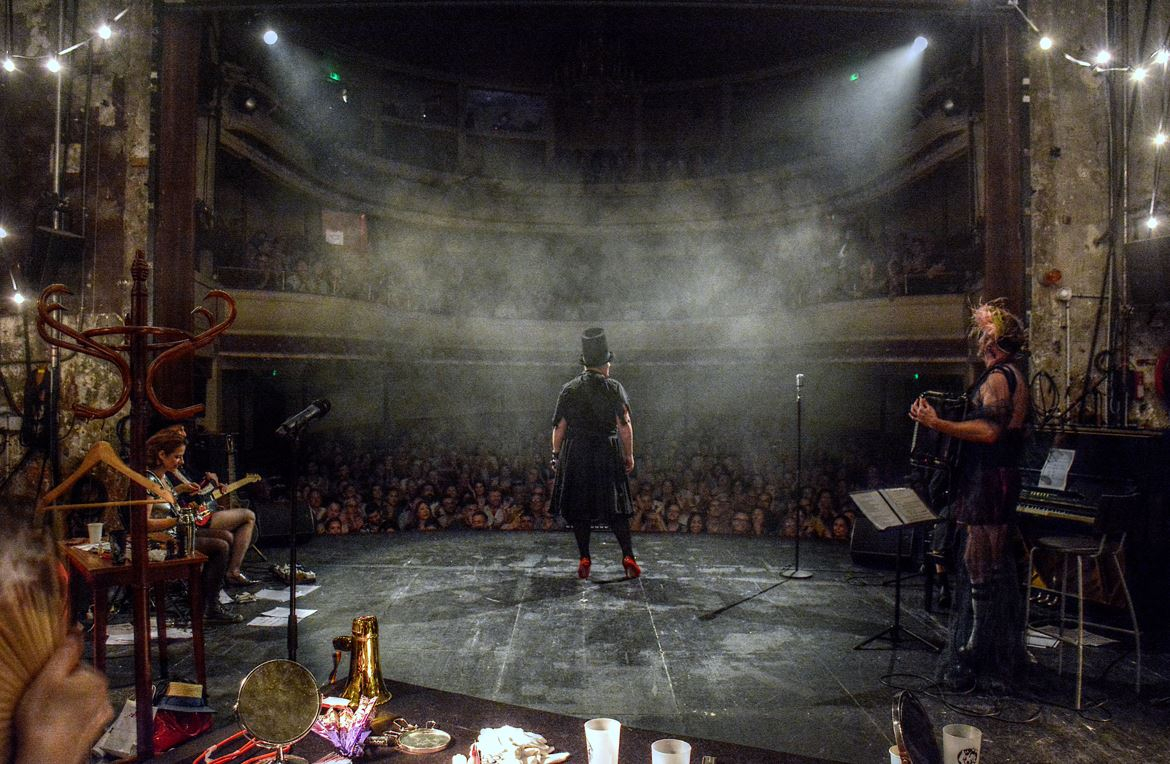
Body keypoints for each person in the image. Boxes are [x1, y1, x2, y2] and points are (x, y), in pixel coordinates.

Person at [909, 299, 1029, 690]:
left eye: (983, 337)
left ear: (994, 342)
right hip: (994, 477)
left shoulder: (999, 378)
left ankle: (977, 650)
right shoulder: (1012, 374)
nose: (978, 343)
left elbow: (990, 432)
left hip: (989, 479)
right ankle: (987, 649)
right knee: (987, 564)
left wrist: (937, 423)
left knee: (981, 564)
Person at [549, 328, 640, 579]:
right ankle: (627, 555)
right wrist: (629, 455)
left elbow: (559, 426)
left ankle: (585, 557)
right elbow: (625, 424)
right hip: (606, 450)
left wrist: (555, 455)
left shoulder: (569, 389)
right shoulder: (613, 387)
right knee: (616, 507)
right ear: (605, 363)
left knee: (580, 508)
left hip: (576, 451)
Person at [144, 431, 242, 625]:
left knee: (226, 537)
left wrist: (180, 490)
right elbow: (145, 523)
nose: (181, 462)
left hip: (176, 534)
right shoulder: (148, 481)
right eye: (177, 457)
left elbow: (165, 502)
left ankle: (205, 601)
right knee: (220, 546)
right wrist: (179, 519)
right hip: (161, 542)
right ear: (161, 455)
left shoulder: (163, 477)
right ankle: (209, 606)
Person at [156, 425, 258, 586]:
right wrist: (181, 493)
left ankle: (215, 586)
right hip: (187, 519)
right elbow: (162, 506)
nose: (185, 434)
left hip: (197, 512)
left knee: (230, 534)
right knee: (243, 521)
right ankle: (219, 581)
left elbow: (198, 485)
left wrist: (212, 483)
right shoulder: (159, 473)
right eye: (180, 432)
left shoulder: (179, 467)